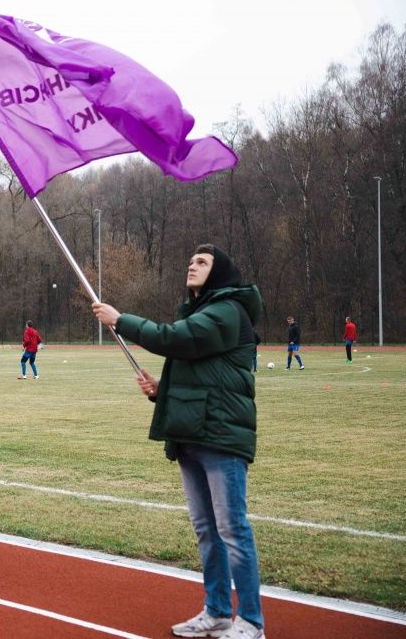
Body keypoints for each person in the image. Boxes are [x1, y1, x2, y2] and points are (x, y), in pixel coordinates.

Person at [93, 244, 265, 639]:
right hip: (193, 433)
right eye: (190, 261)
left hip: (221, 435)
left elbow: (175, 338)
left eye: (202, 262)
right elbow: (197, 371)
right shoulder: (203, 311)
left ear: (219, 273)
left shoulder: (226, 311)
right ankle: (218, 611)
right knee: (207, 530)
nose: (192, 265)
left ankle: (252, 621)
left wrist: (121, 320)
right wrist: (160, 390)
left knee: (232, 529)